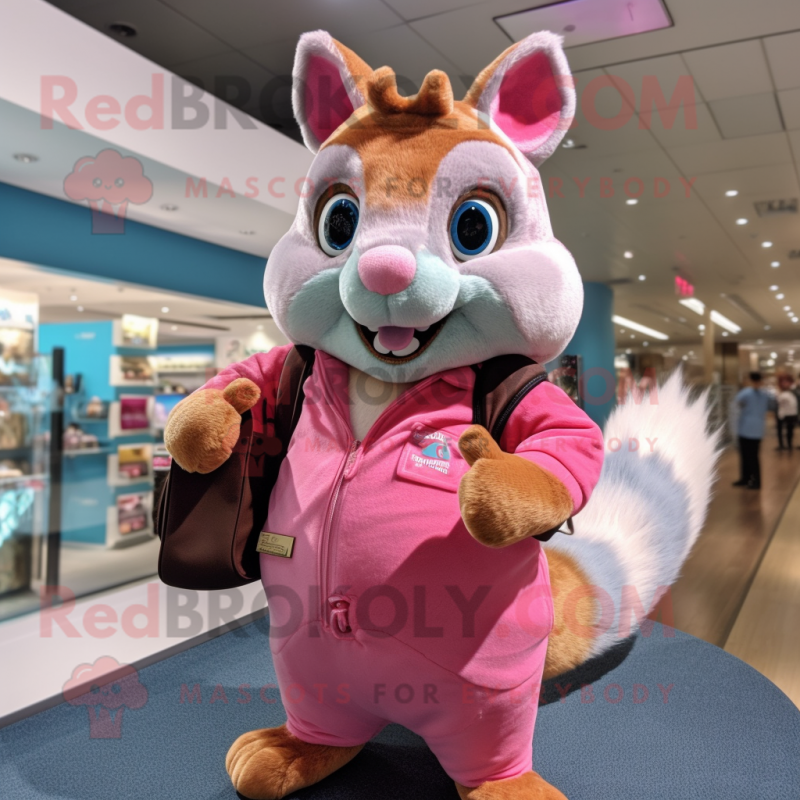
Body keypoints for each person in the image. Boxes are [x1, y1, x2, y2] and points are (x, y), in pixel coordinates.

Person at [733, 372, 774, 489]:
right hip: (757, 429)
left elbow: (736, 408)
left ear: (750, 380)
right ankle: (747, 479)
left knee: (748, 456)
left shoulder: (744, 394)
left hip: (745, 428)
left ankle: (753, 480)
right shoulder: (765, 394)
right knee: (751, 456)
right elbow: (772, 405)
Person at [776, 374, 799, 451]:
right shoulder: (779, 392)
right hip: (782, 413)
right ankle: (781, 445)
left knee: (790, 430)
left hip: (791, 413)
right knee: (780, 430)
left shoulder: (794, 392)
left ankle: (789, 445)